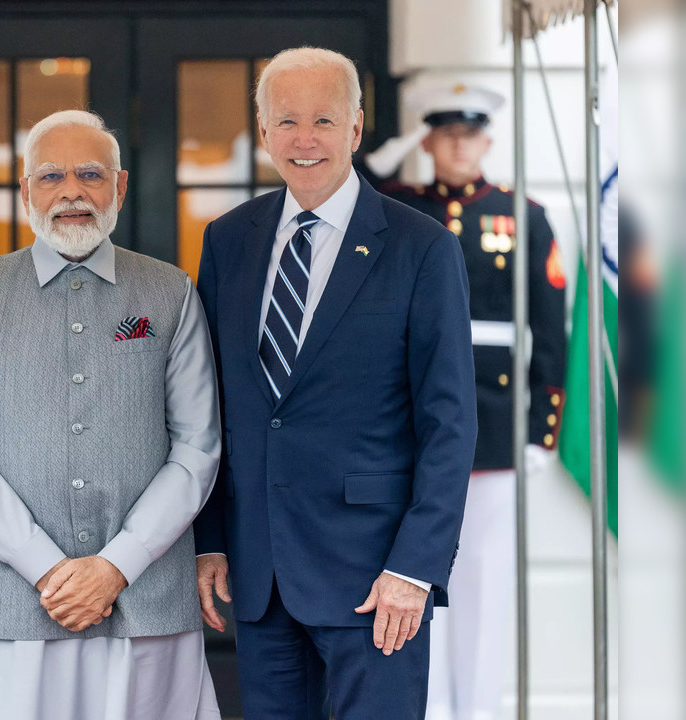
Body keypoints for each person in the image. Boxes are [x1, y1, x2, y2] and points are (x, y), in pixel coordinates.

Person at [192, 48, 478, 720]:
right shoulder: (228, 240)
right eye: (286, 121)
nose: (304, 139)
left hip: (376, 580)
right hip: (260, 578)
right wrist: (209, 538)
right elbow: (211, 406)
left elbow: (449, 422)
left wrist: (415, 568)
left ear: (355, 130)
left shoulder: (421, 247)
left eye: (324, 120)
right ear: (262, 133)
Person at [0, 109, 222, 720]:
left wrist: (116, 567)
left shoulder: (171, 292)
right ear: (25, 188)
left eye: (90, 174)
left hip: (144, 600)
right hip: (4, 606)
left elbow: (197, 447)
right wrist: (47, 568)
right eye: (51, 176)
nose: (71, 192)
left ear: (120, 185)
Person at [367, 83, 568, 720]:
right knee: (408, 573)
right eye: (445, 134)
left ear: (487, 140)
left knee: (480, 583)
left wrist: (541, 428)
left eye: (470, 134)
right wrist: (382, 158)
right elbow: (344, 197)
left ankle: (477, 710)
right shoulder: (398, 205)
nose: (459, 145)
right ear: (427, 140)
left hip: (493, 418)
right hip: (410, 419)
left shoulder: (524, 214)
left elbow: (551, 329)